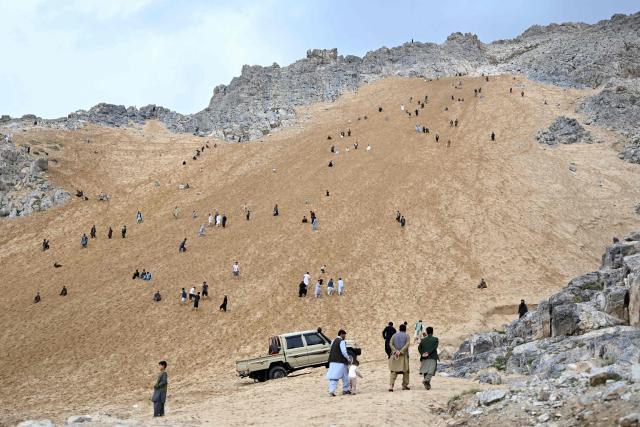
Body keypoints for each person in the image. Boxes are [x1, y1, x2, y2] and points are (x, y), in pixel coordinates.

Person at [326, 329, 352, 396]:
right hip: (340, 362)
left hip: (332, 361)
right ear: (341, 334)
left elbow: (330, 350)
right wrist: (348, 358)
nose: (345, 336)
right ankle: (343, 390)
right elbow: (344, 351)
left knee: (337, 376)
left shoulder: (333, 341)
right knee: (341, 376)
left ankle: (335, 390)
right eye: (344, 335)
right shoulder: (342, 341)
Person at [388, 323, 411, 391]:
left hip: (395, 356)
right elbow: (407, 344)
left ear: (399, 329)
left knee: (393, 371)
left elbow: (390, 343)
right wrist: (400, 351)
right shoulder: (407, 336)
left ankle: (391, 386)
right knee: (406, 371)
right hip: (403, 356)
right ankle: (404, 386)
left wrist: (395, 351)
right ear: (405, 329)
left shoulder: (394, 335)